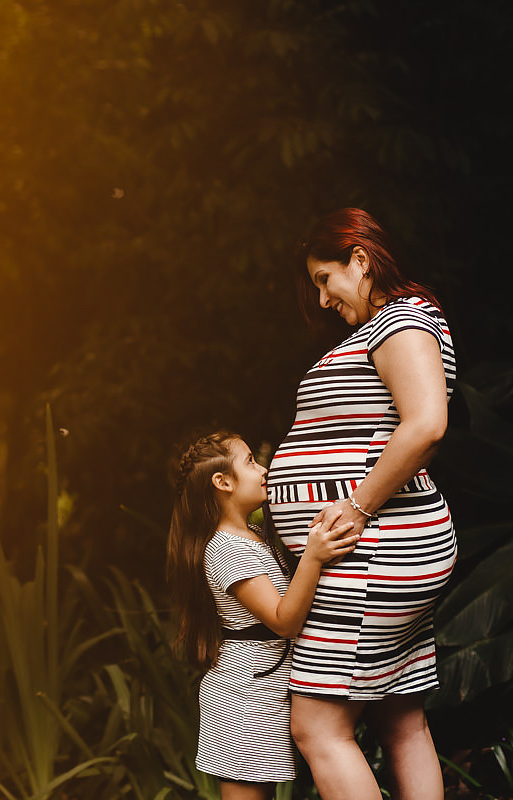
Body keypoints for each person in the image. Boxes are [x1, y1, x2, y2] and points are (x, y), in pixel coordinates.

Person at [266, 208, 458, 800]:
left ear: (361, 259)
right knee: (401, 719)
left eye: (325, 279)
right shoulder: (387, 327)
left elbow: (426, 424)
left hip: (371, 555)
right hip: (378, 552)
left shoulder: (402, 323)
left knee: (318, 728)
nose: (322, 299)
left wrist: (356, 508)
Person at [167, 431, 357, 800]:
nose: (263, 470)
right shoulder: (226, 549)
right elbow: (284, 621)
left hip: (265, 689)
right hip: (244, 697)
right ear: (222, 482)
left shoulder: (253, 535)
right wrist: (314, 556)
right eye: (251, 462)